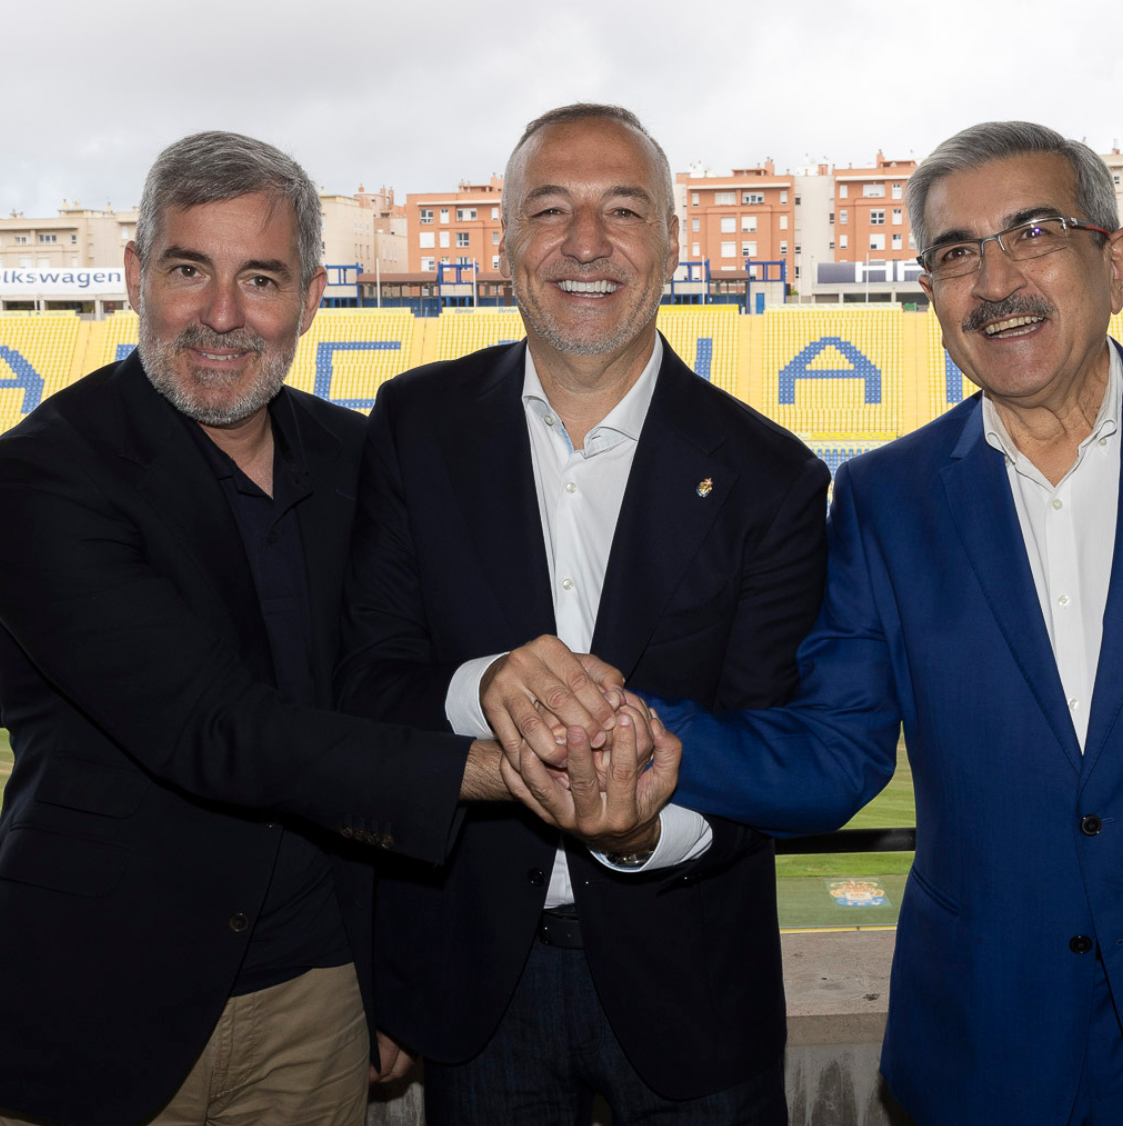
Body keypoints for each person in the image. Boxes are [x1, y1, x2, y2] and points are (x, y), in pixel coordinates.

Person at [507, 121, 1123, 1126]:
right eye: (956, 252)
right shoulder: (882, 498)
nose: (994, 280)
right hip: (983, 1061)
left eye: (1032, 232)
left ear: (1115, 259)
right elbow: (831, 753)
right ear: (931, 296)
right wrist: (620, 723)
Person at [0, 131, 573, 1126]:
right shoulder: (40, 476)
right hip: (102, 998)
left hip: (318, 998)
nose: (222, 316)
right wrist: (491, 768)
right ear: (139, 274)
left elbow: (393, 682)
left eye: (260, 278)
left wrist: (387, 972)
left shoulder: (361, 459)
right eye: (190, 270)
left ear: (309, 299)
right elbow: (210, 727)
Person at [335, 103, 830, 1124]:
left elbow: (773, 739)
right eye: (551, 210)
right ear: (505, 241)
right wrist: (485, 688)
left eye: (623, 211)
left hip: (695, 990)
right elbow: (363, 682)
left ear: (671, 242)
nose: (587, 245)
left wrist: (645, 835)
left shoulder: (770, 476)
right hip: (475, 992)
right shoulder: (412, 425)